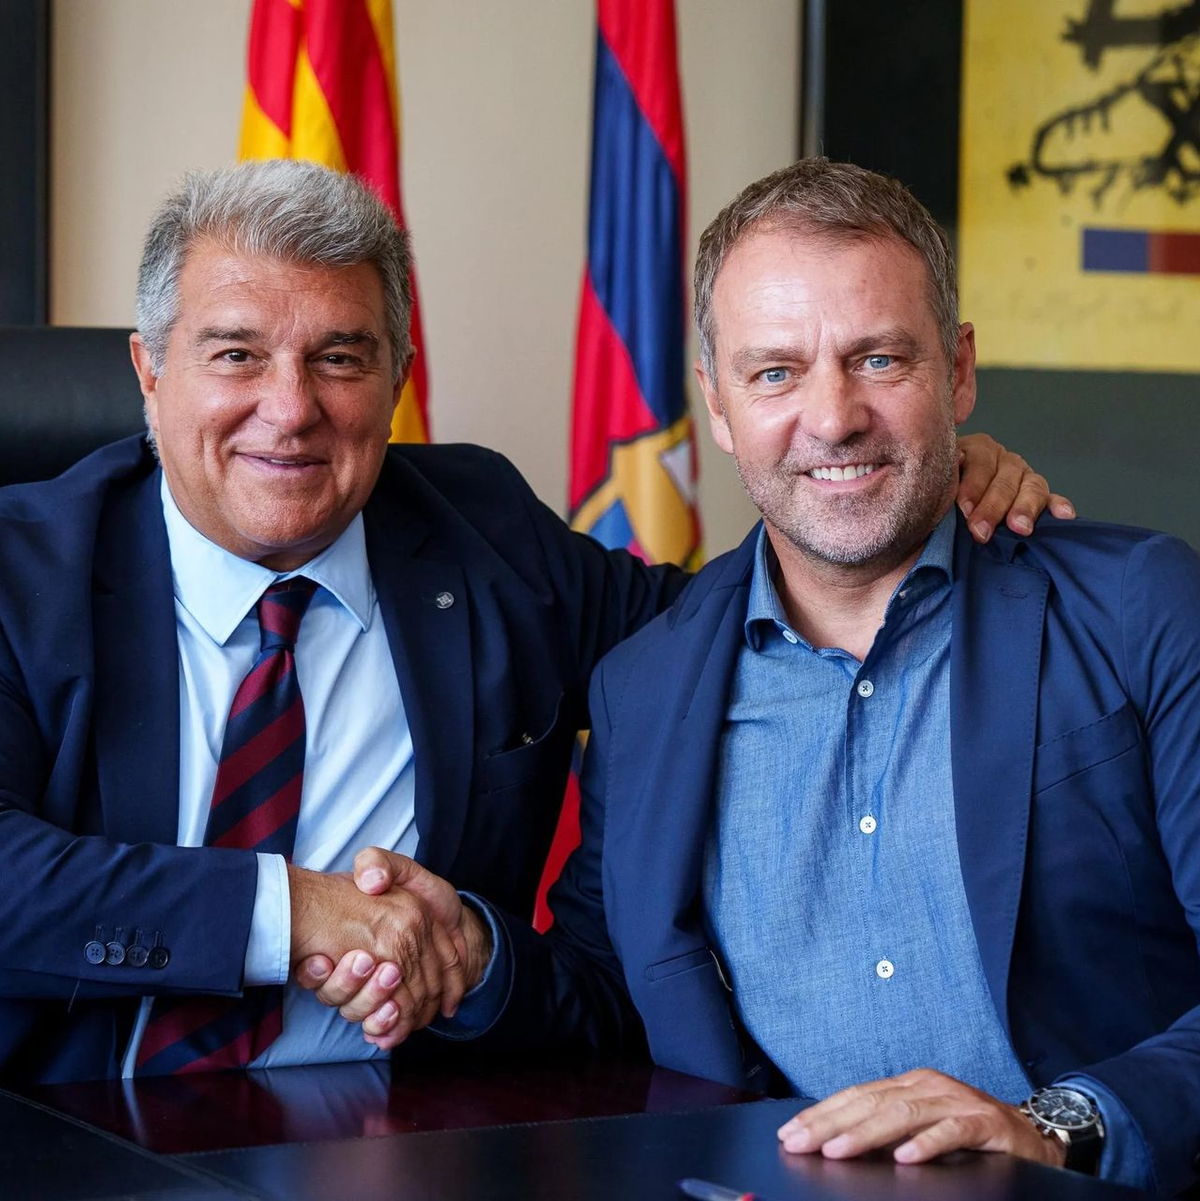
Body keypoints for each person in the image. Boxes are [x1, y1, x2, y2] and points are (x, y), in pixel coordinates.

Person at [0, 159, 1056, 1084]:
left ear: (399, 377)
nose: (291, 408)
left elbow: (732, 621)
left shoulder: (481, 538)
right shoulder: (24, 574)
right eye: (235, 355)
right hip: (65, 1127)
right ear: (149, 371)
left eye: (341, 357)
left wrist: (892, 482)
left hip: (402, 1134)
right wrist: (295, 910)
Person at [321, 160, 1200, 1195]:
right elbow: (611, 990)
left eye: (879, 359)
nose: (833, 417)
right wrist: (473, 954)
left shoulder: (1141, 607)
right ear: (718, 404)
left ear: (959, 372)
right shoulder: (646, 686)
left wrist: (1055, 1127)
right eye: (776, 372)